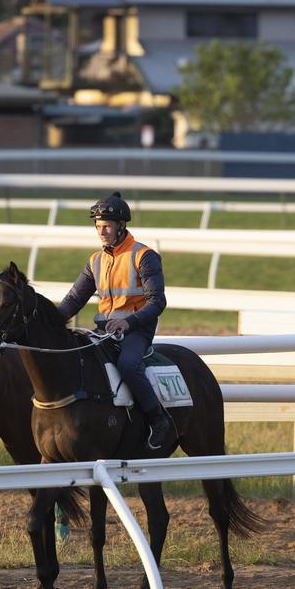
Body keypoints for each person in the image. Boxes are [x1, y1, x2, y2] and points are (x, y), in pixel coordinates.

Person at [57, 191, 174, 450]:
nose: (102, 232)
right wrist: (48, 321)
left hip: (136, 332)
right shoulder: (95, 260)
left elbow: (157, 302)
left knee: (129, 366)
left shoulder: (143, 255)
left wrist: (128, 323)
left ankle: (158, 419)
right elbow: (74, 299)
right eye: (98, 226)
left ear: (121, 226)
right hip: (102, 331)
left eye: (107, 226)